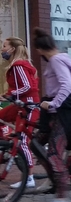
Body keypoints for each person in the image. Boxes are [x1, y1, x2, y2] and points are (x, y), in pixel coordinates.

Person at [32, 27, 71, 202]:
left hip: (63, 112)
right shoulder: (63, 58)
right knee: (36, 143)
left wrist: (54, 104)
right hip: (59, 110)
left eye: (38, 51)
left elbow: (68, 85)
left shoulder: (55, 60)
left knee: (55, 154)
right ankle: (54, 179)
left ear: (41, 50)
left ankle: (62, 199)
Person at [0, 36, 40, 188]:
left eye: (4, 46)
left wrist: (11, 94)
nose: (2, 49)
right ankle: (8, 143)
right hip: (20, 105)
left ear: (12, 49)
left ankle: (29, 178)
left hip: (28, 106)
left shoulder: (18, 65)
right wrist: (7, 94)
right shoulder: (18, 65)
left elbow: (27, 87)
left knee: (23, 141)